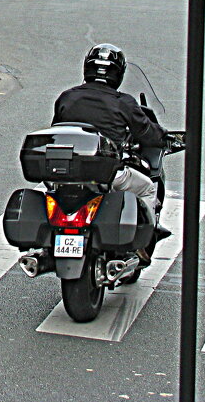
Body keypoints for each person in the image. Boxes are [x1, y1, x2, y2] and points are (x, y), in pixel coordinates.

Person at [51, 44, 169, 263]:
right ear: (118, 74)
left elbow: (57, 130)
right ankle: (142, 244)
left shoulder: (67, 97)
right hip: (106, 172)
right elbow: (148, 133)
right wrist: (164, 136)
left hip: (65, 171)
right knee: (148, 188)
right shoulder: (123, 102)